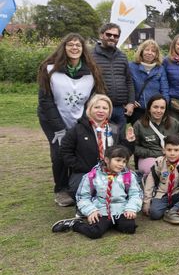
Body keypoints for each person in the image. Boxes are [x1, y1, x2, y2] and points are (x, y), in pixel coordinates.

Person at [37, 33, 106, 206]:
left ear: (83, 49)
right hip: (52, 120)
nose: (74, 48)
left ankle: (76, 185)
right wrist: (60, 128)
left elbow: (93, 99)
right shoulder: (49, 69)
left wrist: (83, 122)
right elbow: (46, 100)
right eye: (70, 45)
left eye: (78, 45)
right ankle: (61, 189)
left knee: (80, 149)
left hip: (79, 119)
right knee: (59, 151)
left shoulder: (91, 70)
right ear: (64, 47)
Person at [51, 145, 142, 239]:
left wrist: (131, 208)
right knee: (95, 232)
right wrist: (91, 210)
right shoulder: (92, 176)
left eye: (124, 161)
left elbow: (135, 194)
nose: (121, 164)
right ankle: (75, 224)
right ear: (106, 160)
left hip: (121, 209)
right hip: (100, 209)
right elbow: (82, 196)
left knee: (130, 228)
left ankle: (111, 223)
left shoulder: (129, 176)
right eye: (118, 160)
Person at [61, 94, 132, 201]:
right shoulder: (77, 129)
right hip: (85, 171)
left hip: (111, 170)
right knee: (77, 188)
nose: (101, 111)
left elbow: (124, 152)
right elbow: (65, 151)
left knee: (126, 187)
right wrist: (79, 166)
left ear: (109, 111)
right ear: (89, 109)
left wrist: (129, 142)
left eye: (105, 108)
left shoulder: (114, 128)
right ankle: (86, 206)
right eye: (97, 107)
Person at [92, 23, 134, 129]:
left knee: (119, 142)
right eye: (109, 34)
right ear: (101, 35)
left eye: (116, 36)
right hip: (99, 108)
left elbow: (129, 81)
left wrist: (130, 102)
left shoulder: (122, 56)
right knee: (101, 142)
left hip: (120, 109)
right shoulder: (91, 55)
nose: (112, 37)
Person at [132, 94, 179, 175]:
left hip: (172, 156)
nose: (159, 111)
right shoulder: (139, 125)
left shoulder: (174, 123)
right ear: (149, 108)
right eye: (155, 107)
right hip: (149, 158)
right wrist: (153, 153)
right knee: (154, 169)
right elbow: (133, 147)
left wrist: (174, 153)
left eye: (162, 108)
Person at [130, 39, 170, 124]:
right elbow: (127, 86)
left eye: (153, 51)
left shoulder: (160, 69)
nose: (149, 53)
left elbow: (165, 89)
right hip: (138, 110)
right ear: (141, 51)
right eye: (147, 50)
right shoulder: (132, 67)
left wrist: (163, 106)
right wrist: (130, 100)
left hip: (155, 111)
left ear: (156, 54)